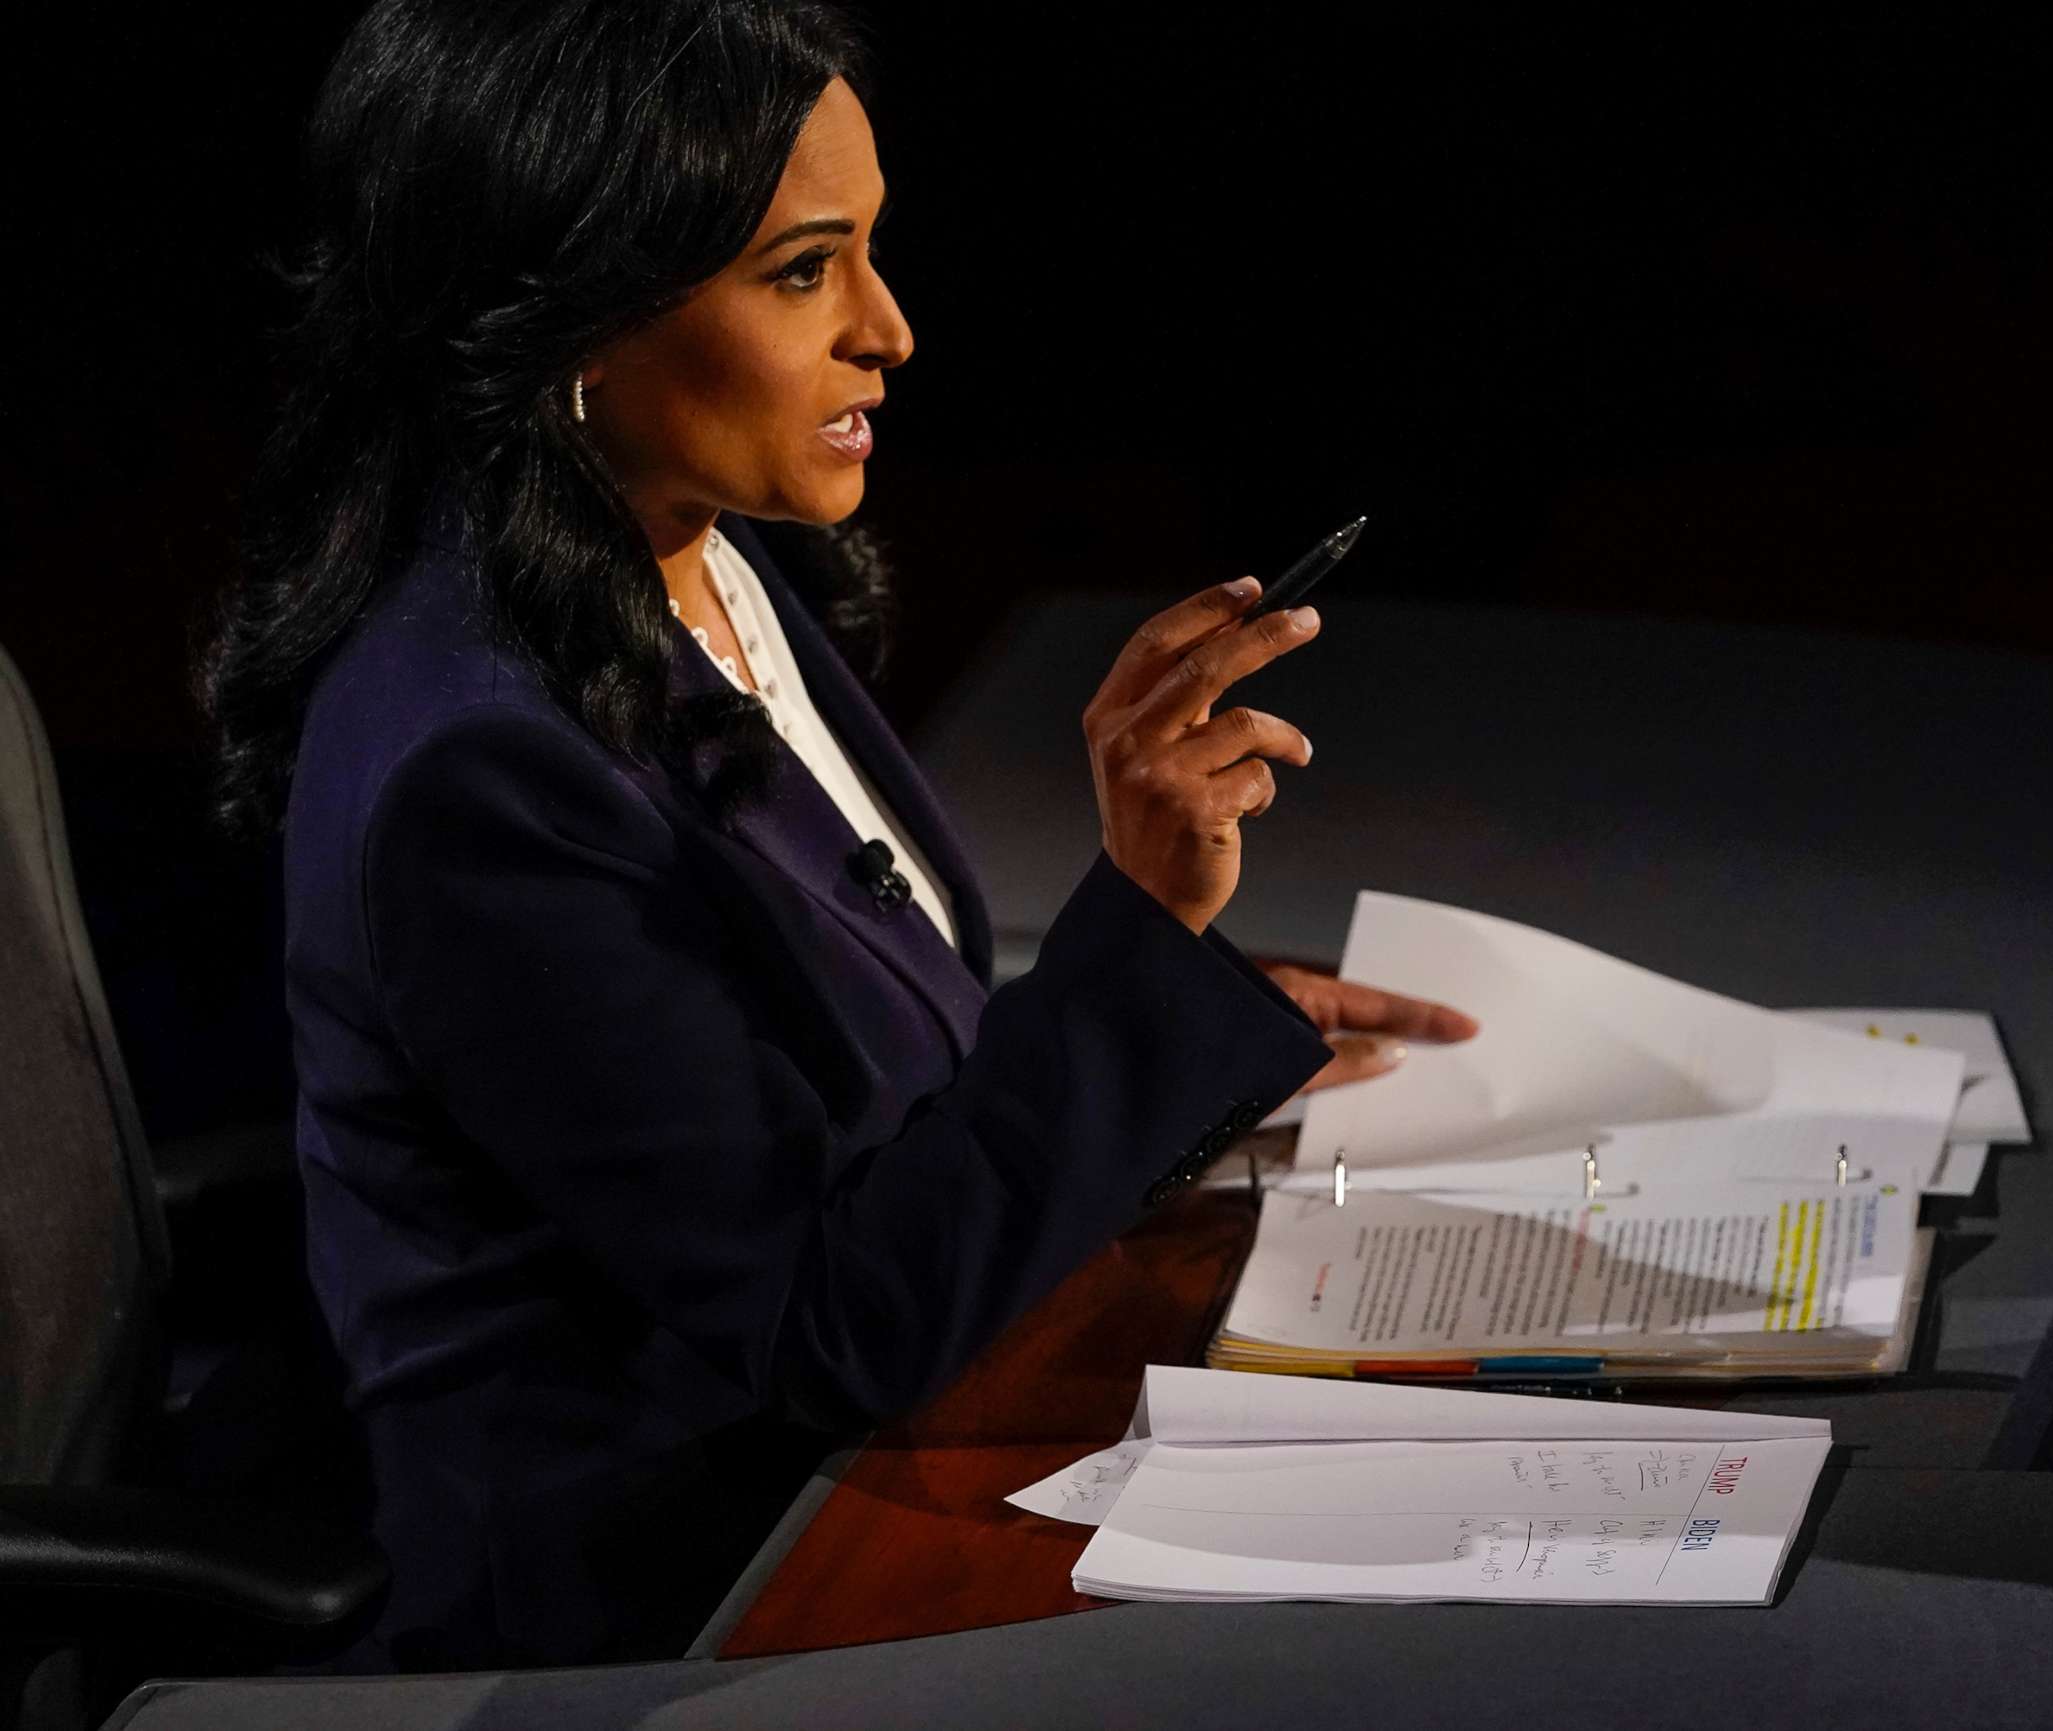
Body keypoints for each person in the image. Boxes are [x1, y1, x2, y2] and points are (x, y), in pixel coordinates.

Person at [195, 0, 1478, 1671]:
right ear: (574, 312)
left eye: (868, 252)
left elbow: (860, 1058)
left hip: (847, 1465)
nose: (891, 330)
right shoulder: (479, 775)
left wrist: (1186, 1031)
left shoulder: (688, 548)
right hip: (668, 1594)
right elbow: (829, 1327)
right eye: (804, 271)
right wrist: (1136, 942)